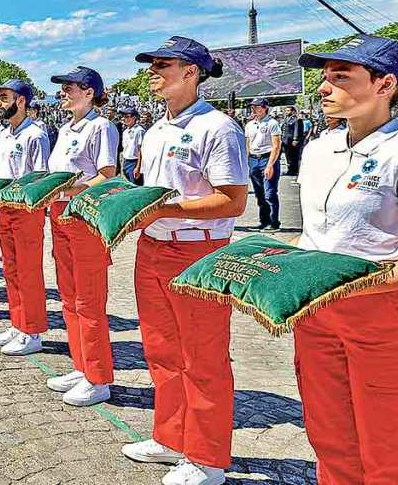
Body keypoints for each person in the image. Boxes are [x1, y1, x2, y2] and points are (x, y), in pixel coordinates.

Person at [294, 34, 398, 484]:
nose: (324, 87)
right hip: (317, 310)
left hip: (381, 312)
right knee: (330, 437)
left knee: (392, 448)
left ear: (385, 85)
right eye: (325, 76)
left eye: (341, 77)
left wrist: (350, 283)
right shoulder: (319, 149)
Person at [121, 37, 248, 485]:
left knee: (203, 356)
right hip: (153, 248)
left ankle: (208, 457)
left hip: (198, 252)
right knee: (160, 350)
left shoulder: (219, 127)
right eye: (151, 65)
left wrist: (160, 209)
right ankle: (170, 436)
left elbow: (232, 202)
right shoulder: (155, 130)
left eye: (163, 65)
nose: (152, 72)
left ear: (192, 72)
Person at [43, 66, 119, 407]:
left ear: (89, 92)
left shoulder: (100, 126)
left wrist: (69, 188)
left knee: (89, 300)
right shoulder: (65, 129)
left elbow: (106, 176)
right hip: (60, 213)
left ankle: (98, 377)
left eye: (70, 87)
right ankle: (81, 363)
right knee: (69, 297)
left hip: (84, 215)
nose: (64, 92)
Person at [0, 79, 50, 355]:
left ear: (21, 100)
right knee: (11, 270)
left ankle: (32, 331)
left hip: (26, 211)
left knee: (28, 272)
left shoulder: (35, 135)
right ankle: (18, 322)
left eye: (4, 97)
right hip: (6, 208)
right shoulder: (4, 134)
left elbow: (39, 178)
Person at [244, 98, 282, 232]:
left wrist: (270, 165)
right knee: (259, 193)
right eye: (252, 107)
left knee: (270, 193)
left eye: (257, 106)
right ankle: (264, 221)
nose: (254, 109)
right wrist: (246, 162)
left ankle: (274, 222)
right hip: (254, 159)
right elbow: (248, 144)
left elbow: (276, 145)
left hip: (267, 158)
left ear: (265, 107)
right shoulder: (249, 125)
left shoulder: (272, 123)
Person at [119, 106, 145, 185]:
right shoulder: (125, 131)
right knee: (128, 185)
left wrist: (138, 167)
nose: (124, 119)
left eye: (127, 117)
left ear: (134, 118)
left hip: (135, 162)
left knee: (135, 186)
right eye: (123, 117)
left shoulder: (139, 130)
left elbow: (141, 150)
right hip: (126, 161)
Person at [281, 106, 306, 175]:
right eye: (286, 111)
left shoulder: (297, 119)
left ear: (293, 111)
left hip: (292, 140)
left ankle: (294, 170)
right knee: (288, 156)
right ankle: (290, 169)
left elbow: (296, 130)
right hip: (285, 140)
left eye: (288, 110)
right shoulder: (285, 119)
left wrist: (295, 139)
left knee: (294, 156)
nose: (287, 112)